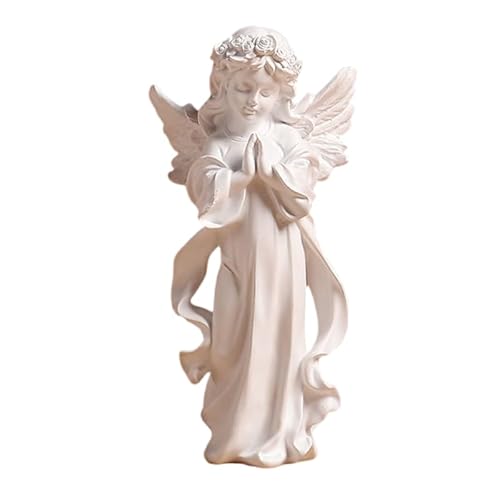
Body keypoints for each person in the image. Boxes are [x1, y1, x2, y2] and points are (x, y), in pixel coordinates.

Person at [150, 26, 355, 467]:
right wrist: (242, 177)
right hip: (237, 259)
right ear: (222, 88)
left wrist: (273, 176)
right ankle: (234, 432)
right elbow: (203, 189)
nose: (253, 101)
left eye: (265, 91)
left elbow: (301, 194)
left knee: (278, 339)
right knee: (233, 341)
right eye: (243, 88)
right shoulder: (219, 143)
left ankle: (281, 432)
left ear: (280, 94)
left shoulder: (289, 139)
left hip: (283, 258)